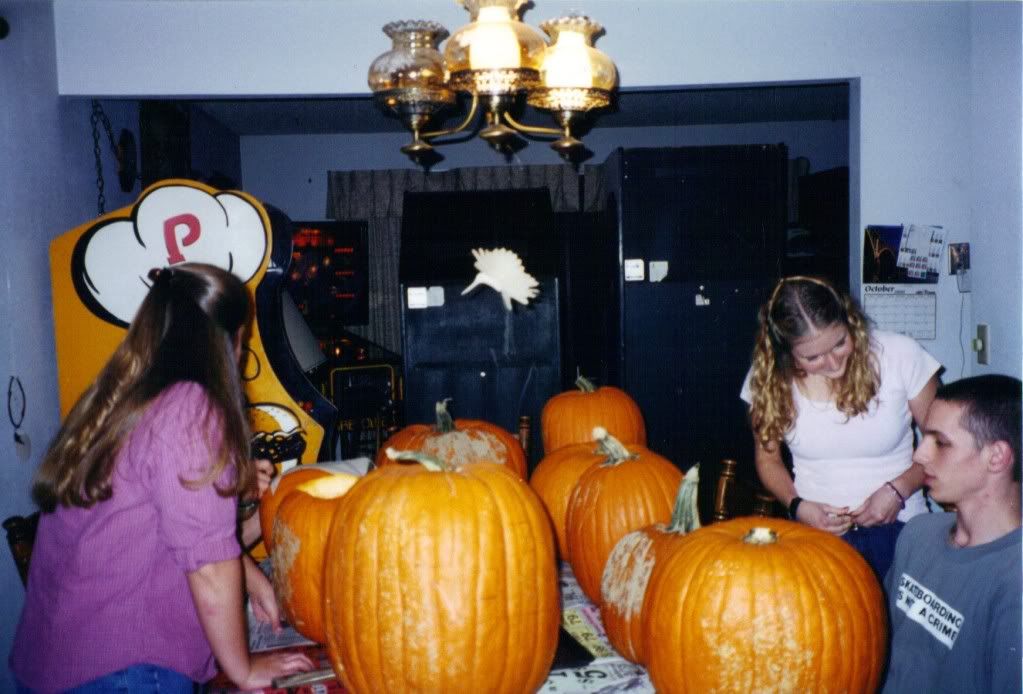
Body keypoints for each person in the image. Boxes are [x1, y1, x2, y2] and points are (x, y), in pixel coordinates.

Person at [10, 263, 314, 692]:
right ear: (230, 340)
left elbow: (178, 531)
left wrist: (251, 575)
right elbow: (208, 569)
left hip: (59, 663)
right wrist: (243, 669)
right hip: (124, 671)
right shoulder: (191, 409)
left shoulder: (123, 395)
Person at [741, 275, 941, 579]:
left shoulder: (900, 355)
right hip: (816, 536)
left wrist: (899, 490)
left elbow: (942, 444)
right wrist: (797, 506)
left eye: (840, 343)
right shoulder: (768, 378)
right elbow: (768, 460)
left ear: (850, 321)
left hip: (903, 527)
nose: (833, 364)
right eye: (813, 357)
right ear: (785, 353)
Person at [882, 374, 1021, 693]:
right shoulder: (918, 534)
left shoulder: (1013, 581)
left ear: (996, 457)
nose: (920, 455)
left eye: (940, 442)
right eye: (923, 438)